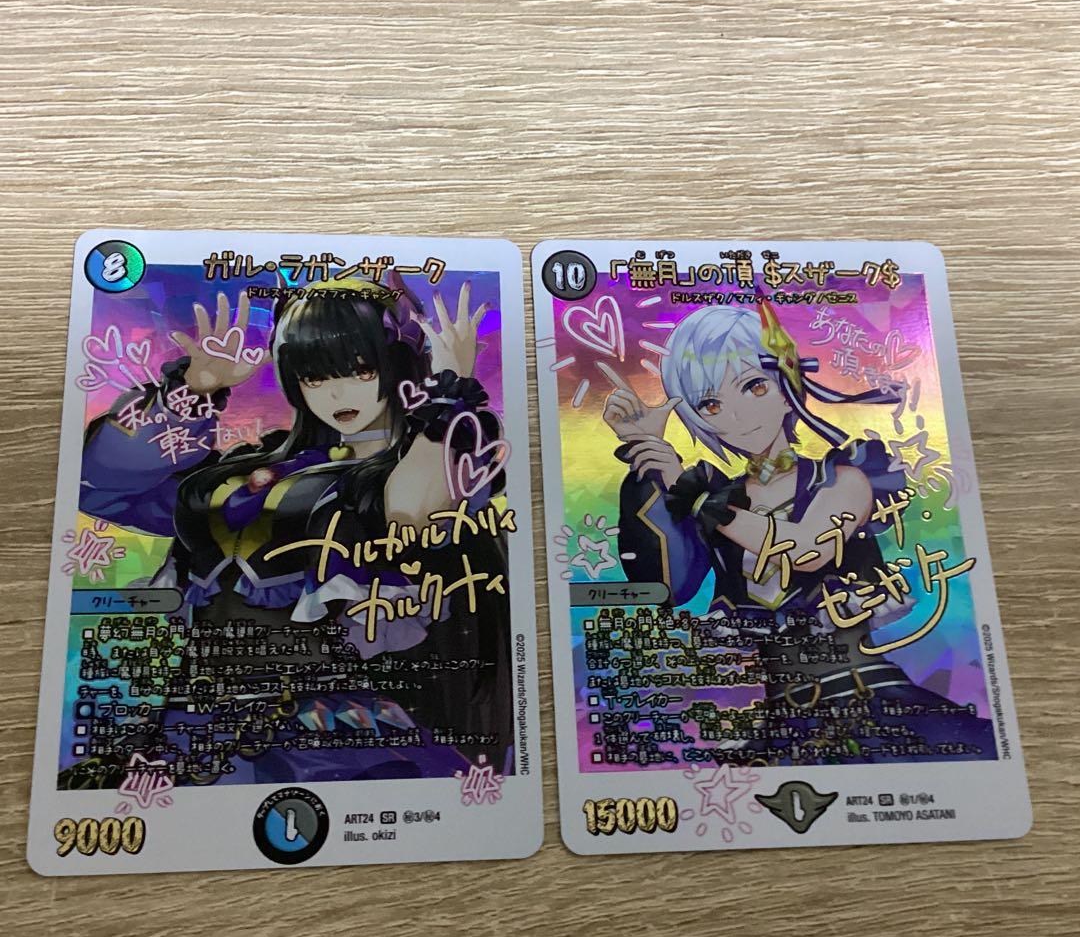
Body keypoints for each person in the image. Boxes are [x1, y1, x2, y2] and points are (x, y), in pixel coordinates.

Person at [71, 275, 512, 786]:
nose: (338, 392)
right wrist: (190, 392)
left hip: (337, 733)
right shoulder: (251, 471)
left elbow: (410, 515)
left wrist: (449, 389)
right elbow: (100, 489)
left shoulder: (436, 465)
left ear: (399, 365)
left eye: (361, 370)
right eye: (314, 376)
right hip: (198, 722)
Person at [605, 302, 995, 765]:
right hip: (784, 719)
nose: (737, 415)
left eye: (754, 386)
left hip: (866, 695)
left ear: (786, 381)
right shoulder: (714, 494)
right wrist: (647, 459)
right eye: (711, 404)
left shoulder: (843, 475)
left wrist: (693, 495)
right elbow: (667, 585)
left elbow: (807, 548)